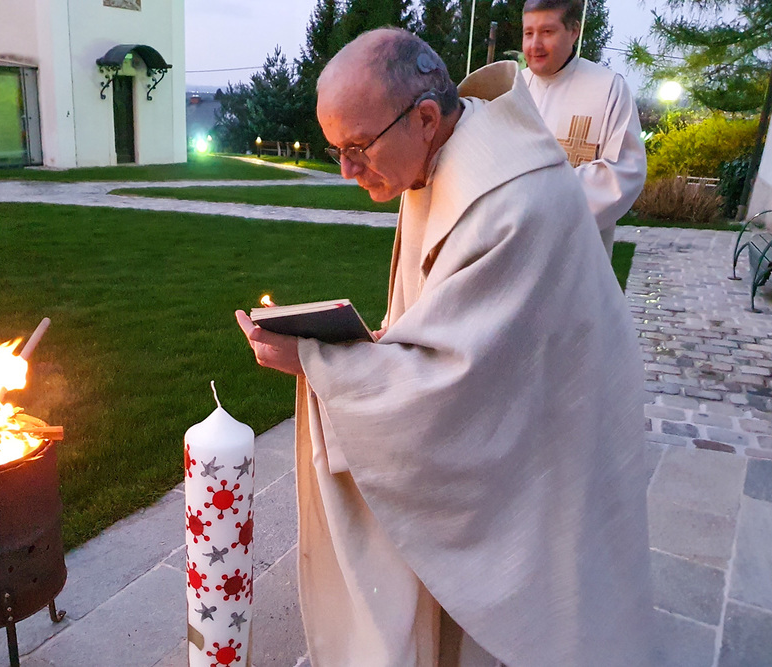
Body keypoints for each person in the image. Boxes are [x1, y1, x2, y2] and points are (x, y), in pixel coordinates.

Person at [235, 28, 653, 667]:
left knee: (531, 628)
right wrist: (379, 343)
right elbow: (451, 328)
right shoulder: (443, 156)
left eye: (356, 148)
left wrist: (318, 362)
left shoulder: (512, 202)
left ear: (426, 118)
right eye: (335, 150)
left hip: (544, 461)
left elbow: (459, 393)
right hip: (524, 425)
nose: (346, 171)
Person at [522, 0, 646, 259]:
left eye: (547, 32)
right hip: (514, 251)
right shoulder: (510, 88)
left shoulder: (608, 88)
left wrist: (537, 200)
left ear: (574, 31)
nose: (535, 45)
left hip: (575, 256)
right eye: (528, 33)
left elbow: (624, 172)